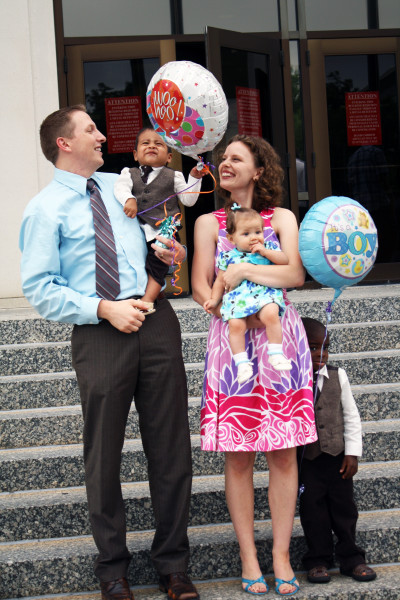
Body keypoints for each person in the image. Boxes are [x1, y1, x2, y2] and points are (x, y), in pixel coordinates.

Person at [19, 105, 199, 600]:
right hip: (99, 333)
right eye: (91, 130)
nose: (102, 136)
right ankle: (112, 571)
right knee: (104, 455)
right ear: (64, 142)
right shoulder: (44, 209)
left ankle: (173, 565)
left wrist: (166, 255)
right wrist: (103, 309)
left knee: (172, 449)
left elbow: (151, 246)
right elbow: (40, 288)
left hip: (156, 321)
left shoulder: (123, 189)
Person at [191, 134, 317, 596]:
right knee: (239, 456)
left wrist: (244, 272)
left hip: (281, 339)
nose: (225, 164)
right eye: (223, 158)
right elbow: (201, 284)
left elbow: (294, 275)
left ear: (258, 170)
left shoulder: (281, 218)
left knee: (284, 453)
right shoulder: (208, 222)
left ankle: (281, 554)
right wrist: (214, 302)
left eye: (236, 158)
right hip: (234, 343)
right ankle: (249, 555)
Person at [298, 317, 377, 584]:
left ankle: (351, 557)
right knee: (312, 511)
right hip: (307, 461)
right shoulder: (290, 379)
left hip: (337, 459)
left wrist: (352, 453)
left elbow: (352, 417)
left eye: (326, 347)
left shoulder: (337, 375)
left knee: (345, 510)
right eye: (311, 347)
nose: (320, 354)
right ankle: (318, 559)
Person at [114, 127, 204, 308]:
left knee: (158, 264)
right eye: (145, 143)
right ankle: (129, 293)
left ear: (169, 157)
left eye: (159, 144)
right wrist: (129, 199)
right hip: (136, 230)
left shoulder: (174, 175)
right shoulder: (128, 174)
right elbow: (120, 188)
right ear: (135, 154)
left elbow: (188, 200)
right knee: (133, 260)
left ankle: (148, 299)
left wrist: (194, 178)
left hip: (164, 231)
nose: (151, 146)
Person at [203, 205, 291, 384]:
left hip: (264, 294)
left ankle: (276, 352)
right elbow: (220, 281)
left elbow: (285, 260)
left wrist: (266, 251)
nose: (254, 238)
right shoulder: (228, 257)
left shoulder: (269, 248)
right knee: (235, 325)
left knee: (271, 313)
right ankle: (242, 363)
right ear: (231, 238)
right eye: (246, 234)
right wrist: (213, 300)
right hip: (239, 299)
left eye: (258, 232)